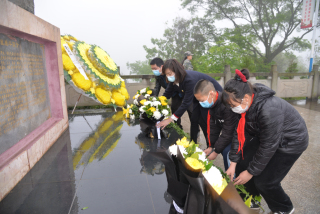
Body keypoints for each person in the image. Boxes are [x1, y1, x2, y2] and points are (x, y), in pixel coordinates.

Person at [222, 69, 309, 214]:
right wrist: (233, 163)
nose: (232, 109)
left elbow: (268, 146)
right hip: (267, 137)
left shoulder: (269, 109)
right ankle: (252, 200)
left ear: (246, 98)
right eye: (230, 106)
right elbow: (239, 134)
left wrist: (250, 172)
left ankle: (284, 208)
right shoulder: (244, 107)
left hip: (290, 142)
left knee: (265, 182)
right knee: (242, 163)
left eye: (233, 105)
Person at [156, 59, 222, 146]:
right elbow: (166, 94)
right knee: (194, 120)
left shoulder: (189, 79)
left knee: (205, 121)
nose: (168, 76)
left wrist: (170, 119)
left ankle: (211, 146)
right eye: (167, 74)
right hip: (198, 98)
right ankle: (193, 144)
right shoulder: (173, 80)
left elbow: (186, 103)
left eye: (170, 73)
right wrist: (155, 105)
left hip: (210, 95)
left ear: (177, 71)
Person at [193, 80, 239, 171]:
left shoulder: (226, 104)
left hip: (238, 134)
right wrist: (211, 146)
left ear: (211, 94)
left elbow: (227, 132)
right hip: (230, 133)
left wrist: (216, 151)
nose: (201, 103)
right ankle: (229, 173)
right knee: (224, 149)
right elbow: (213, 127)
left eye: (202, 100)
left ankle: (232, 178)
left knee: (227, 151)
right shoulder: (213, 105)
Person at [150, 57, 184, 128]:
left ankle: (196, 130)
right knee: (174, 109)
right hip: (173, 94)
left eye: (155, 68)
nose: (154, 71)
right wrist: (155, 99)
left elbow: (171, 86)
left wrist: (165, 97)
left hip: (180, 91)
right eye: (152, 69)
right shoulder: (158, 76)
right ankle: (178, 127)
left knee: (190, 110)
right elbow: (157, 87)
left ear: (161, 66)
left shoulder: (169, 73)